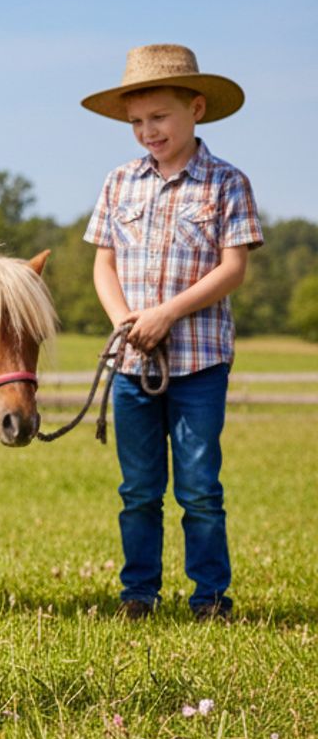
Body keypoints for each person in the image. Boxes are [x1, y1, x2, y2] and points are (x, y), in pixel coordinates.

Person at [81, 44, 263, 623]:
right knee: (138, 489)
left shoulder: (226, 183)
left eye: (158, 117)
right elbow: (103, 265)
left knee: (200, 488)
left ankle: (210, 598)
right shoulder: (119, 183)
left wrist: (166, 314)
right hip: (133, 366)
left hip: (199, 363)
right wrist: (123, 320)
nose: (147, 131)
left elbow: (232, 268)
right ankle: (139, 594)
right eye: (137, 122)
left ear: (197, 109)